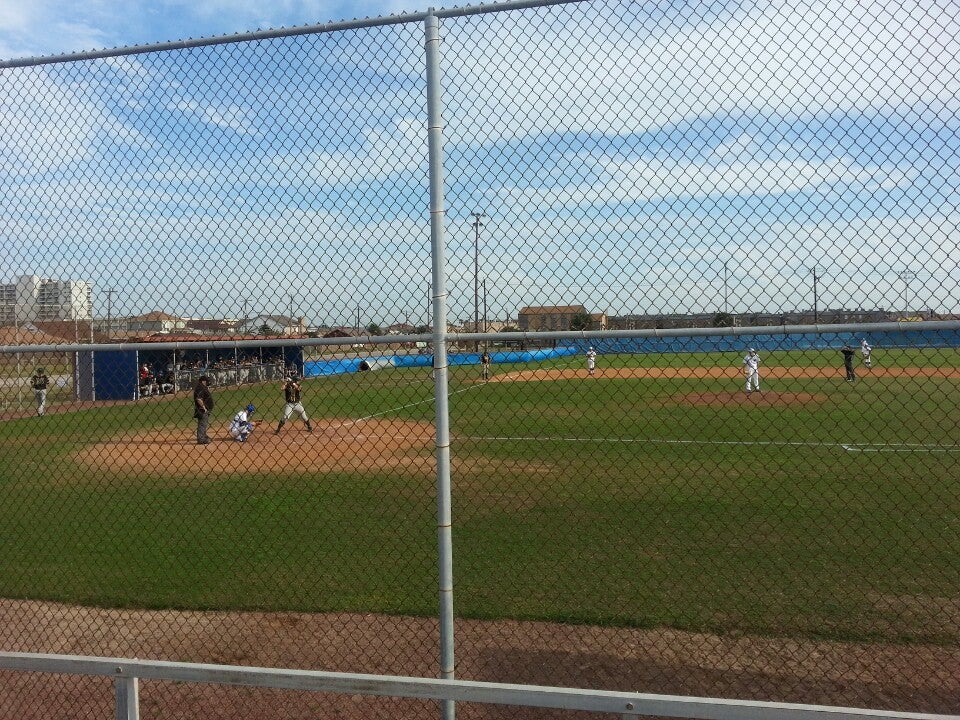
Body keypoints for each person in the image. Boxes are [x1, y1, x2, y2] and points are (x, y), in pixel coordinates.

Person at [193, 375, 214, 445]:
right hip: (202, 410)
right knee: (202, 424)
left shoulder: (202, 387)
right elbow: (199, 399)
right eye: (206, 381)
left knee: (204, 424)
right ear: (203, 381)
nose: (208, 382)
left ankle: (203, 436)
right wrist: (204, 407)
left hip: (204, 409)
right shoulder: (200, 387)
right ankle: (201, 439)